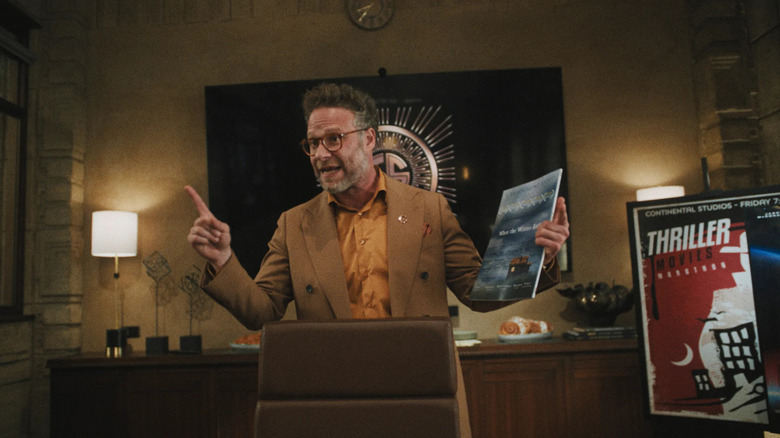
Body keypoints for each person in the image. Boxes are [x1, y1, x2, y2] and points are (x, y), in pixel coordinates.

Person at [186, 83, 570, 437]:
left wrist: (540, 256)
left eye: (333, 139)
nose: (320, 154)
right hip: (331, 399)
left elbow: (476, 290)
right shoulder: (294, 224)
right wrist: (223, 259)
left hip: (422, 392)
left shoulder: (429, 210)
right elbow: (261, 311)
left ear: (368, 138)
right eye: (312, 143)